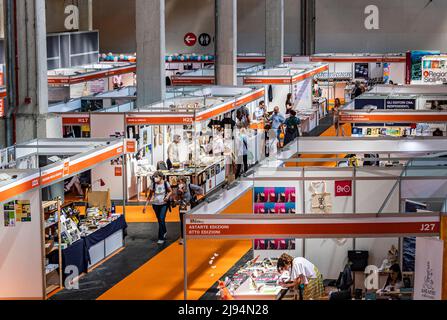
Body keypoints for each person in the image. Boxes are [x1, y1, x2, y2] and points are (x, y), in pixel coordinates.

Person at [143, 171, 173, 244]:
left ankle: (161, 237)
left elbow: (170, 191)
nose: (155, 179)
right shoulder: (153, 184)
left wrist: (167, 196)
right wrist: (145, 206)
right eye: (154, 177)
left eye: (156, 177)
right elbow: (150, 195)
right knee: (160, 220)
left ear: (161, 177)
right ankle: (164, 230)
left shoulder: (166, 183)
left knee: (161, 218)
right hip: (155, 204)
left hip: (164, 204)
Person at [176, 177, 204, 245]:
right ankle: (183, 237)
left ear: (183, 181)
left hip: (190, 205)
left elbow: (200, 189)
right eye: (178, 182)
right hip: (183, 206)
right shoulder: (178, 188)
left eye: (179, 181)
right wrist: (179, 192)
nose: (178, 183)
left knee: (190, 220)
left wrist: (195, 193)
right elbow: (177, 197)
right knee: (182, 221)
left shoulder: (189, 186)